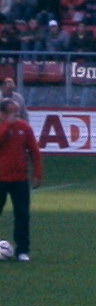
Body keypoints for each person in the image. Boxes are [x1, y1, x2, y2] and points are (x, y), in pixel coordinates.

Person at [1, 98, 42, 262]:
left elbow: (34, 151)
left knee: (22, 215)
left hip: (20, 179)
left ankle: (22, 250)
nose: (15, 115)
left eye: (16, 111)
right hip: (0, 179)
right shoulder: (4, 126)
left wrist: (37, 173)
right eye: (11, 112)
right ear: (2, 113)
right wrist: (7, 126)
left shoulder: (24, 128)